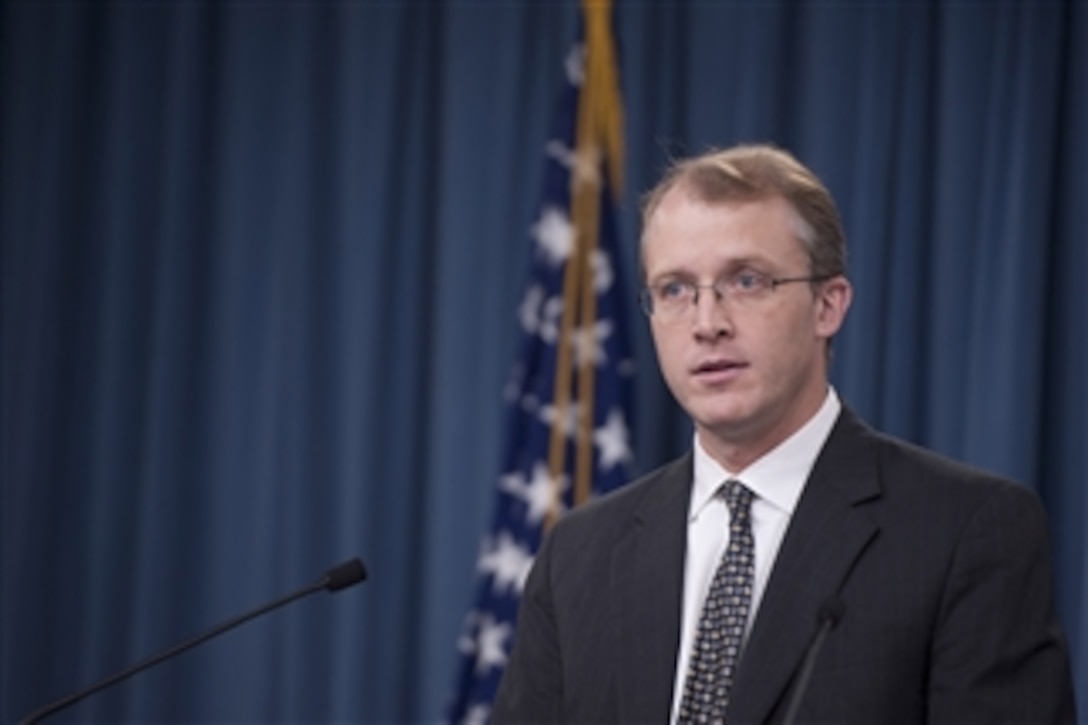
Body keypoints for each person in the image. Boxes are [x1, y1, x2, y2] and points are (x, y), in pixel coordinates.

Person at [492, 144, 1076, 723]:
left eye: (746, 281)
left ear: (828, 305)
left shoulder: (964, 531)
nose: (706, 323)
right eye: (674, 289)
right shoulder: (578, 556)